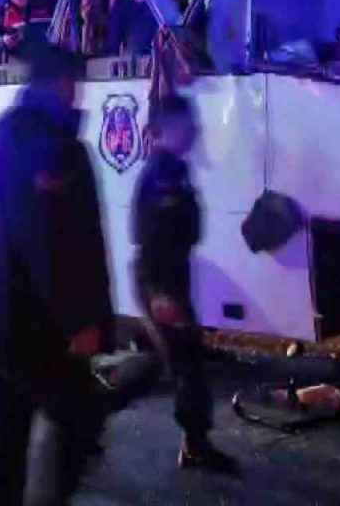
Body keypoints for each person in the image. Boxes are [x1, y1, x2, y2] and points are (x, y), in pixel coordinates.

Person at [0, 41, 114, 505]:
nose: (77, 94)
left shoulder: (1, 133)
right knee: (77, 417)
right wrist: (80, 321)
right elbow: (50, 242)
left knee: (8, 432)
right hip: (33, 321)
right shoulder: (49, 143)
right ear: (60, 83)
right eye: (74, 83)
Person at [133, 94, 237, 473]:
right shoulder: (160, 174)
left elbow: (188, 231)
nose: (193, 131)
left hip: (171, 277)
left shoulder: (176, 170)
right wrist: (160, 292)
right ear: (166, 129)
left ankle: (87, 411)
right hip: (161, 281)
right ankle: (87, 411)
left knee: (177, 361)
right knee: (183, 362)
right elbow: (146, 233)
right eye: (185, 125)